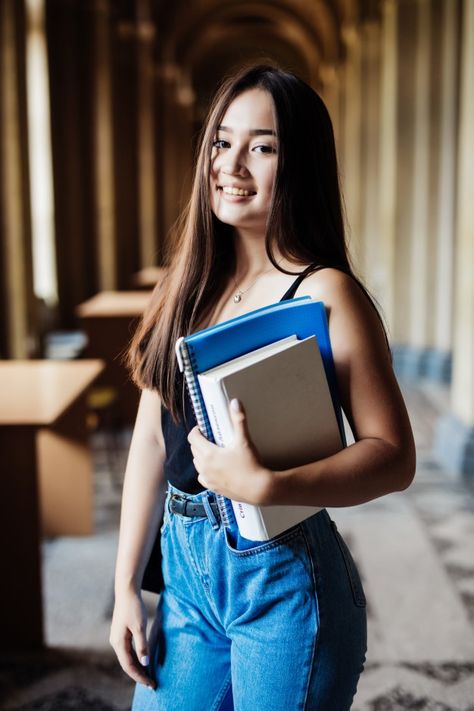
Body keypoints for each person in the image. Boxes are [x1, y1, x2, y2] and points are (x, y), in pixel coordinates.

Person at [109, 64, 416, 710]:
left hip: (284, 581)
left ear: (298, 163)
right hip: (187, 571)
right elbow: (148, 441)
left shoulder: (327, 292)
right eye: (222, 142)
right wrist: (124, 585)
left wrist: (272, 485)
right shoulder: (186, 282)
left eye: (263, 146)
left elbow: (394, 453)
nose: (232, 164)